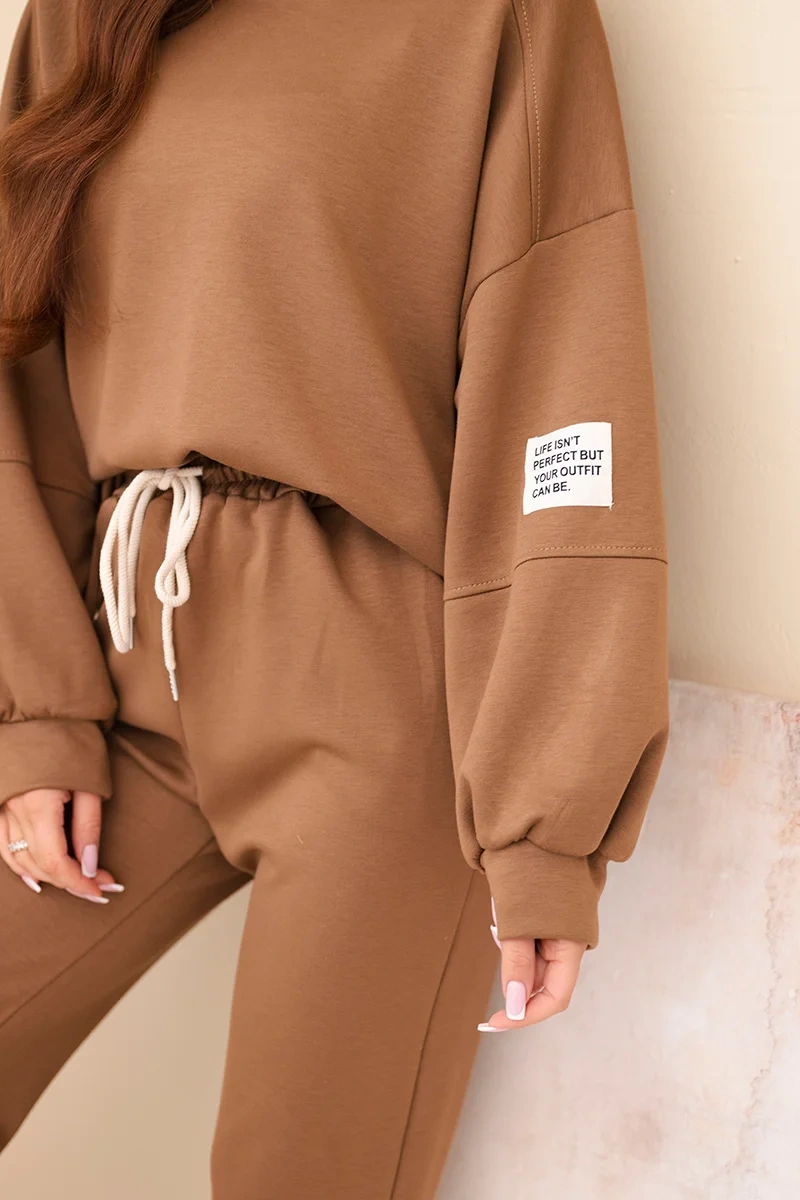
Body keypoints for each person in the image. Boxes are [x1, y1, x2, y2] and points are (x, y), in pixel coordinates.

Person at [0, 0, 669, 1195]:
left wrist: (543, 829)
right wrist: (34, 710)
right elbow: (17, 353)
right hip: (120, 650)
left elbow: (561, 380)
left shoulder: (496, 18)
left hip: (381, 701)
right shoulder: (82, 16)